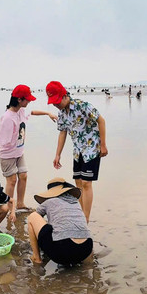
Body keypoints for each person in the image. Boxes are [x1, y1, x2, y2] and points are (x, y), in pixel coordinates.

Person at [0, 85, 56, 220]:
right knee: (12, 180)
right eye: (27, 99)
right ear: (19, 99)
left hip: (19, 152)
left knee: (24, 176)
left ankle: (20, 204)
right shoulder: (7, 118)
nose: (29, 101)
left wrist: (48, 113)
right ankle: (9, 208)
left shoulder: (20, 110)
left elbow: (32, 112)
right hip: (7, 154)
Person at [45, 81, 108, 222]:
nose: (55, 105)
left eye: (56, 101)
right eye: (53, 102)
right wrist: (57, 154)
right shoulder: (61, 113)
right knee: (78, 182)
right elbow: (62, 133)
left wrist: (103, 145)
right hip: (77, 151)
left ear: (64, 95)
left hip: (91, 149)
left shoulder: (82, 106)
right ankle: (80, 214)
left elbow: (101, 121)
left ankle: (86, 218)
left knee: (86, 183)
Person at [25, 178, 94, 266]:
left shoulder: (49, 201)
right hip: (86, 249)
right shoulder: (75, 202)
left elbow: (36, 217)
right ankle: (86, 260)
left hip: (62, 251)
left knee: (32, 216)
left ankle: (36, 257)